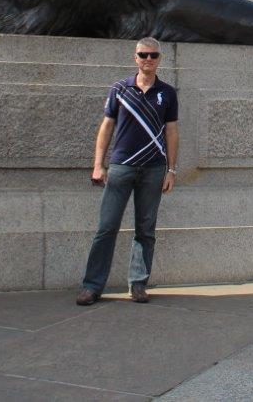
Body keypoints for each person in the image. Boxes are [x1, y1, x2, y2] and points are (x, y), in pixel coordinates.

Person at [77, 37, 178, 306]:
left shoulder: (167, 93)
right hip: (122, 166)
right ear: (135, 57)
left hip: (154, 168)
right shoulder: (120, 89)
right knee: (106, 227)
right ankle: (92, 286)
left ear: (159, 59)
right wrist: (98, 164)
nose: (148, 60)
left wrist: (172, 170)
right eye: (143, 55)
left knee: (145, 229)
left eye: (153, 55)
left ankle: (138, 284)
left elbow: (171, 131)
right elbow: (107, 126)